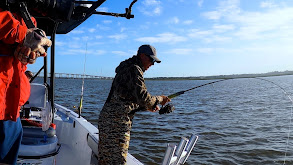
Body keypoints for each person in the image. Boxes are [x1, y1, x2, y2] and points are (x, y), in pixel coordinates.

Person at [98, 44, 171, 164]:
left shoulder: (127, 69)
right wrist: (160, 99)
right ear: (142, 56)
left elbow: (128, 98)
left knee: (106, 159)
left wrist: (147, 107)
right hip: (117, 124)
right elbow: (143, 97)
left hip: (109, 120)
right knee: (117, 161)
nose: (152, 64)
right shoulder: (134, 69)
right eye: (151, 60)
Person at [0, 8, 52, 164]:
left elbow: (20, 64)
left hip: (11, 109)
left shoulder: (29, 20)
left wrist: (27, 56)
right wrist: (24, 35)